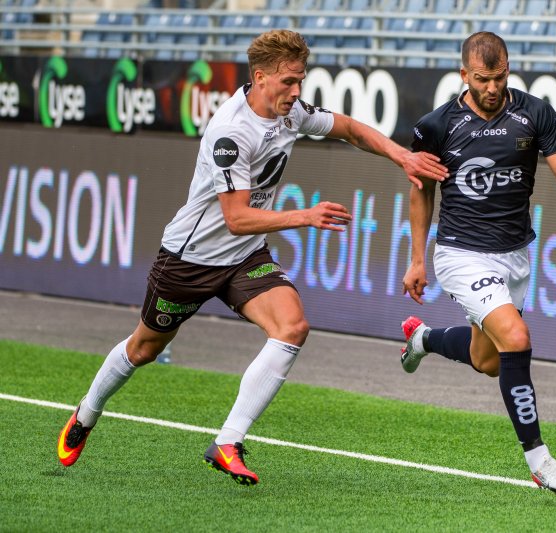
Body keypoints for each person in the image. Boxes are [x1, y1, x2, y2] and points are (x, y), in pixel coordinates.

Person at [56, 29, 448, 486]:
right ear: (260, 78)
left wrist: (402, 156)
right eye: (288, 82)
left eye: (300, 80)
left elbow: (349, 129)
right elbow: (237, 217)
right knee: (144, 348)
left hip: (242, 258)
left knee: (293, 327)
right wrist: (305, 215)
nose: (297, 91)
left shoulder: (289, 113)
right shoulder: (231, 132)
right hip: (190, 260)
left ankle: (228, 441)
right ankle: (87, 412)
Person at [399, 31, 556, 494]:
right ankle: (539, 459)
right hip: (460, 253)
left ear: (508, 70)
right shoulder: (436, 125)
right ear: (464, 75)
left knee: (487, 360)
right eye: (482, 78)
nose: (492, 87)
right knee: (516, 337)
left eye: (500, 77)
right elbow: (420, 194)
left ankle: (423, 338)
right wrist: (418, 259)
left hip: (515, 255)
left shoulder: (534, 113)